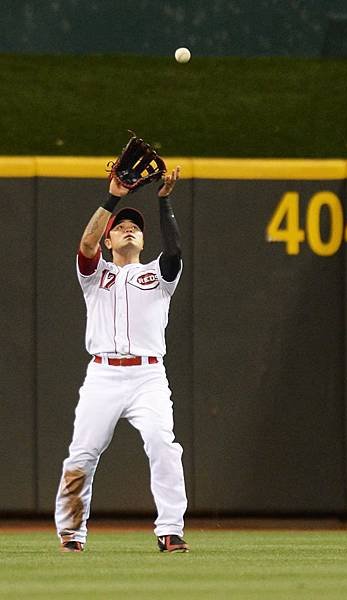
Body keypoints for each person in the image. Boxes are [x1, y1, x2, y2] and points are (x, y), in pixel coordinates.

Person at [54, 166, 189, 553]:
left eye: (135, 227)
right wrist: (113, 197)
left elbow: (175, 250)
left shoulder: (159, 276)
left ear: (144, 240)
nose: (128, 228)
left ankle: (170, 530)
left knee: (163, 444)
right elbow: (85, 244)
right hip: (104, 375)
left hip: (148, 377)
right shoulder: (96, 276)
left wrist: (164, 201)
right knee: (82, 452)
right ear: (109, 239)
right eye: (120, 226)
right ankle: (72, 534)